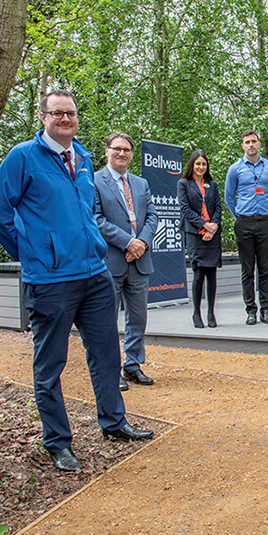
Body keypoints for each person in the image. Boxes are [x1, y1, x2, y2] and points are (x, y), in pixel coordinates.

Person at [0, 90, 153, 473]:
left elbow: (87, 213)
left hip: (94, 274)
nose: (65, 119)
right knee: (50, 364)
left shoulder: (85, 158)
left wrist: (92, 244)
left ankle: (114, 422)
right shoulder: (23, 157)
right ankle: (57, 442)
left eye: (70, 113)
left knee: (107, 353)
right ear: (43, 117)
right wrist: (31, 252)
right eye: (56, 113)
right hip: (50, 281)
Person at [94, 131, 157, 392]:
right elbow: (96, 218)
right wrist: (126, 242)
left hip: (139, 261)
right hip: (112, 260)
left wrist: (140, 243)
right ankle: (111, 370)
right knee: (108, 319)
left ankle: (132, 365)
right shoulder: (94, 181)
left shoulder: (141, 184)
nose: (122, 153)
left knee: (138, 317)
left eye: (127, 150)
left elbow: (152, 217)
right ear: (107, 151)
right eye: (117, 148)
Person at [224, 130, 268, 325]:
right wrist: (239, 216)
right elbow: (229, 197)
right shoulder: (235, 169)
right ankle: (250, 310)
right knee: (247, 270)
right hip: (244, 223)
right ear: (242, 145)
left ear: (259, 144)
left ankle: (266, 309)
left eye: (254, 141)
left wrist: (266, 211)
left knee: (265, 269)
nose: (251, 145)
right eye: (247, 142)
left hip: (265, 222)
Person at [177, 150, 223, 328]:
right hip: (195, 233)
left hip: (213, 234)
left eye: (204, 164)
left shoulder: (212, 184)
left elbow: (218, 207)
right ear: (192, 165)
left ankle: (211, 312)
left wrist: (213, 227)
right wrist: (204, 225)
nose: (201, 167)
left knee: (212, 274)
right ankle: (197, 312)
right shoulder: (183, 184)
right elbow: (185, 209)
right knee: (199, 274)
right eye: (198, 164)